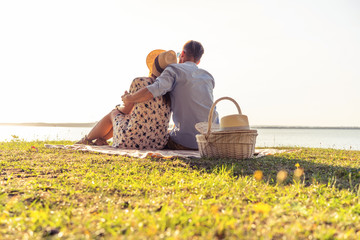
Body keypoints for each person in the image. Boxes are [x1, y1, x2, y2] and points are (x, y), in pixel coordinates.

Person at [122, 40, 218, 150]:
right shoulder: (208, 76)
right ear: (198, 61)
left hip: (186, 143)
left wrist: (129, 98)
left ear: (182, 54)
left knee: (165, 136)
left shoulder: (174, 69)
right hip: (209, 142)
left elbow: (153, 90)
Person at [76, 49, 177, 149]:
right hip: (158, 144)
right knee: (124, 118)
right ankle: (101, 140)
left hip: (132, 140)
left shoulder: (141, 82)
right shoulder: (172, 90)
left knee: (114, 113)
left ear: (153, 67)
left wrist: (121, 105)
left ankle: (87, 140)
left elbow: (126, 110)